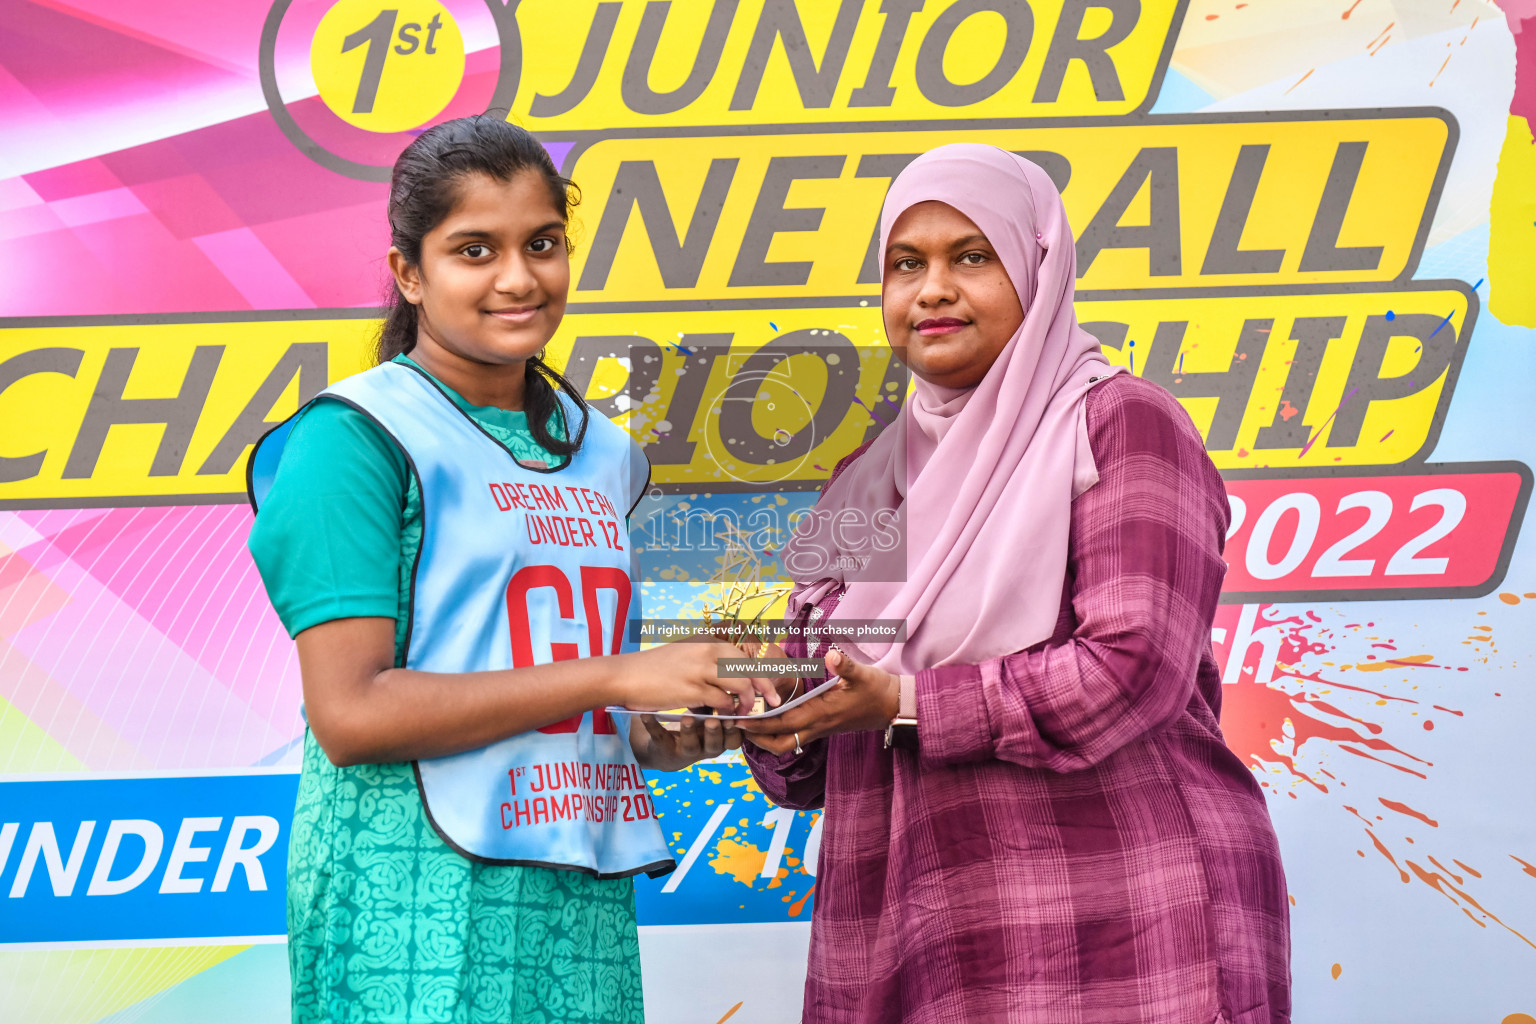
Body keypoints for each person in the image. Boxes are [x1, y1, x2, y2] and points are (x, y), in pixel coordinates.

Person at [739, 144, 1291, 1024]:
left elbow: (1130, 668)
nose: (932, 291)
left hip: (1124, 916)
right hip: (915, 930)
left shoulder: (1117, 423)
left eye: (972, 257)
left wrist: (905, 701)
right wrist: (764, 712)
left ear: (1039, 266)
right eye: (905, 264)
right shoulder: (864, 481)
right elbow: (820, 749)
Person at [246, 114, 771, 1024]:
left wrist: (670, 729)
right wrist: (618, 674)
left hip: (576, 903)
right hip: (411, 906)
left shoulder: (603, 453)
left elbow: (591, 702)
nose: (519, 278)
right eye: (474, 250)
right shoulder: (354, 439)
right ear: (410, 273)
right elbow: (351, 714)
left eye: (543, 244)